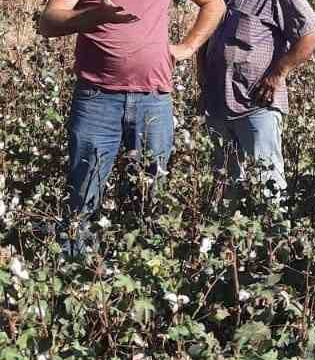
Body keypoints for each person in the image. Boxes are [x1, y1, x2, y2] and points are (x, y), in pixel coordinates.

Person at [38, 0, 226, 256]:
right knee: (83, 193)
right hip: (97, 100)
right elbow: (48, 22)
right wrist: (92, 16)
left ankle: (141, 271)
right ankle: (77, 274)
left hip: (153, 101)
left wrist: (189, 47)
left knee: (151, 193)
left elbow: (214, 5)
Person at [199, 0, 315, 203]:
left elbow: (313, 33)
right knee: (226, 185)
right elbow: (205, 35)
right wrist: (202, 73)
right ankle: (227, 234)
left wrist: (278, 73)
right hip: (217, 104)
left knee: (268, 182)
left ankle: (274, 232)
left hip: (256, 105)